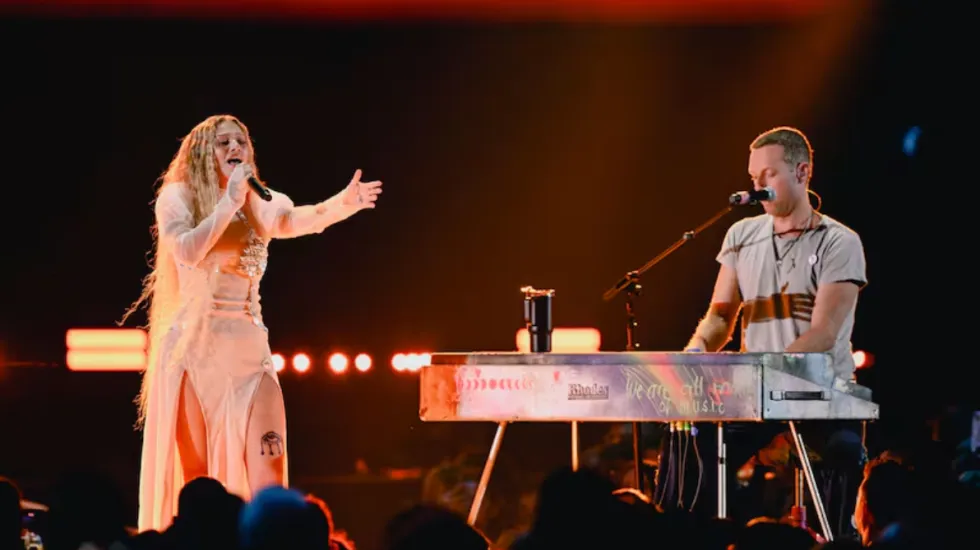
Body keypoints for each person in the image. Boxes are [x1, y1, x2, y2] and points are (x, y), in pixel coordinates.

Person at [121, 114, 382, 532]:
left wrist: (343, 204)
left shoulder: (259, 200)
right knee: (201, 486)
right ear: (204, 152)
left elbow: (295, 220)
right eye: (223, 143)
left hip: (250, 353)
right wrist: (228, 203)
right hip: (195, 352)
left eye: (240, 141)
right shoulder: (178, 197)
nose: (234, 149)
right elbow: (186, 251)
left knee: (270, 476)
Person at [672, 126, 868, 532]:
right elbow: (721, 316)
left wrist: (761, 377)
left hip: (823, 393)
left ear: (802, 172)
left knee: (844, 453)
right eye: (753, 178)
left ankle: (835, 537)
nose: (758, 187)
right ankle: (702, 535)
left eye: (769, 175)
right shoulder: (741, 236)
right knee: (692, 444)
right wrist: (695, 352)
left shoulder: (839, 241)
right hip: (756, 398)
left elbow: (824, 333)